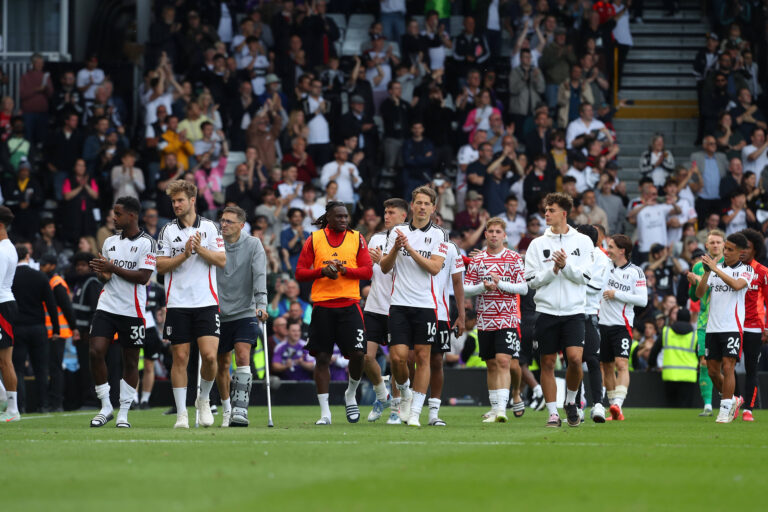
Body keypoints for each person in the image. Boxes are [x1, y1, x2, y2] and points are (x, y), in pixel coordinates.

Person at [295, 201, 372, 425]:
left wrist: (346, 270)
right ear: (328, 217)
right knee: (322, 358)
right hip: (322, 306)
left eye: (346, 217)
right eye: (339, 217)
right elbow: (300, 273)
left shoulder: (357, 238)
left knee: (359, 355)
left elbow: (368, 270)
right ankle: (325, 413)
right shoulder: (314, 239)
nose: (343, 221)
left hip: (350, 305)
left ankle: (350, 394)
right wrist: (321, 272)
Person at [157, 180, 226, 429]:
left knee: (209, 357)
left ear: (192, 200)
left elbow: (221, 260)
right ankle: (181, 415)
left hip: (206, 301)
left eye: (180, 200)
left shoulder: (209, 227)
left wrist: (199, 250)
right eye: (173, 201)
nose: (176, 204)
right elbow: (160, 266)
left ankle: (204, 400)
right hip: (177, 303)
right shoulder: (166, 231)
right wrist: (184, 254)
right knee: (180, 358)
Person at [524, 192, 594, 427]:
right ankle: (553, 413)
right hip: (546, 311)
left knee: (575, 360)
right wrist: (553, 271)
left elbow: (585, 276)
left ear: (564, 214)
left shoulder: (583, 242)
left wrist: (565, 266)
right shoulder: (537, 244)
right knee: (547, 363)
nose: (546, 214)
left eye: (551, 210)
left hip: (574, 311)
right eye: (545, 209)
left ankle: (571, 401)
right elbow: (531, 281)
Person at [380, 186, 448, 427]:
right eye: (418, 202)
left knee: (423, 357)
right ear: (411, 205)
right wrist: (396, 248)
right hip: (398, 304)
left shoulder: (439, 234)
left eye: (426, 203)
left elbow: (434, 268)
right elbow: (386, 267)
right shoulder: (397, 231)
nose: (421, 207)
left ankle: (416, 412)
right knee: (398, 359)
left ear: (433, 208)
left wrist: (408, 248)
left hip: (425, 305)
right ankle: (406, 393)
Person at [86, 197, 156, 428]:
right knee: (96, 352)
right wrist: (102, 274)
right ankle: (106, 407)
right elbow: (105, 276)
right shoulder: (109, 242)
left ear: (132, 216)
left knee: (130, 361)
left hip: (133, 310)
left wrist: (112, 268)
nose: (113, 218)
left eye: (117, 214)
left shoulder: (147, 243)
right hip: (107, 305)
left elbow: (144, 277)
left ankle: (124, 412)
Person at [464, 217, 527, 423]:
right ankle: (494, 408)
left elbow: (523, 288)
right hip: (484, 319)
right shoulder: (478, 259)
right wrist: (483, 287)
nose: (493, 235)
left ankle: (502, 408)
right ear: (485, 234)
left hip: (507, 318)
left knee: (503, 361)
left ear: (504, 235)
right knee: (491, 364)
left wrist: (501, 284)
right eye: (490, 231)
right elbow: (465, 288)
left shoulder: (514, 258)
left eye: (498, 231)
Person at [214, 206, 267, 427]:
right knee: (221, 362)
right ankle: (226, 409)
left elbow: (260, 274)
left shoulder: (254, 244)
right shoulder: (214, 243)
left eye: (229, 222)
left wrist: (261, 303)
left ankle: (240, 409)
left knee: (243, 355)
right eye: (222, 221)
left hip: (245, 310)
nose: (223, 225)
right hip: (218, 310)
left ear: (241, 225)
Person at [695, 232, 752, 423]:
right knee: (712, 371)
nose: (725, 252)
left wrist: (716, 270)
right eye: (725, 248)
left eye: (729, 249)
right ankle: (733, 399)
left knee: (728, 366)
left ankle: (725, 409)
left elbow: (736, 285)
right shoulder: (715, 269)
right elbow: (699, 293)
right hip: (712, 328)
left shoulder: (746, 270)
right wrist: (706, 272)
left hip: (732, 327)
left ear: (741, 252)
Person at [362, 198, 408, 423]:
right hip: (373, 305)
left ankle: (395, 409)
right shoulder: (377, 238)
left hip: (397, 308)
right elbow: (369, 270)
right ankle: (382, 395)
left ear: (403, 216)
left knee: (396, 360)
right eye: (385, 211)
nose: (386, 216)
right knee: (365, 356)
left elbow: (406, 274)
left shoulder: (409, 240)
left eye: (391, 212)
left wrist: (383, 260)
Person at [599, 234, 648, 422]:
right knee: (607, 366)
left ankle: (618, 403)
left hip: (622, 325)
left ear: (622, 250)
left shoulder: (636, 272)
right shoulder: (605, 266)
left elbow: (642, 300)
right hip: (602, 323)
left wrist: (616, 294)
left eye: (611, 246)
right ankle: (613, 408)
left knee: (622, 364)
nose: (608, 249)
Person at [428, 216, 465, 426]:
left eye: (438, 222)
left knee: (435, 361)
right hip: (411, 310)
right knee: (407, 358)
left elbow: (457, 283)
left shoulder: (451, 248)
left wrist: (461, 315)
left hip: (440, 313)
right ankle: (405, 404)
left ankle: (433, 411)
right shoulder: (410, 242)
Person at [685, 229, 724, 417]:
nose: (715, 245)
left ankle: (728, 397)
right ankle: (708, 404)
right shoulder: (698, 266)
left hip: (726, 321)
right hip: (704, 321)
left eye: (718, 242)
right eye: (712, 242)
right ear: (706, 245)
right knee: (705, 362)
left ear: (724, 244)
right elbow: (694, 297)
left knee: (725, 364)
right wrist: (693, 282)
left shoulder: (731, 265)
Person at [576, 224, 609, 422]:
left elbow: (595, 287)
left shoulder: (601, 257)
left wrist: (571, 278)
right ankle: (577, 404)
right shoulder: (574, 254)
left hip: (588, 313)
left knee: (592, 360)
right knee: (574, 361)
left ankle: (598, 405)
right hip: (570, 313)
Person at [737, 229, 768, 422]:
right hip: (733, 323)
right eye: (740, 247)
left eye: (746, 247)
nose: (742, 251)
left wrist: (766, 327)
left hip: (754, 327)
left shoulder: (763, 272)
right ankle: (737, 398)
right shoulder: (733, 269)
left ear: (755, 249)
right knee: (727, 364)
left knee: (751, 369)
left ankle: (748, 409)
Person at [0, 207, 19, 422]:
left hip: (2, 305)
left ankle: (13, 410)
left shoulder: (3, 250)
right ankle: (4, 398)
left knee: (5, 361)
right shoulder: (6, 247)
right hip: (4, 303)